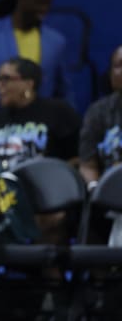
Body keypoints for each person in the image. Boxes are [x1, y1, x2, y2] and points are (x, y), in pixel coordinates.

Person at [0, 57, 80, 245]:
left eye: (6, 79)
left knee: (51, 224)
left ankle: (52, 272)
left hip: (44, 200)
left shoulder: (57, 112)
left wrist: (59, 200)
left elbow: (77, 160)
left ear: (28, 83)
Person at [79, 45, 122, 243]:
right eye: (118, 66)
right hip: (108, 197)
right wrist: (96, 188)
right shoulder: (98, 111)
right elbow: (88, 164)